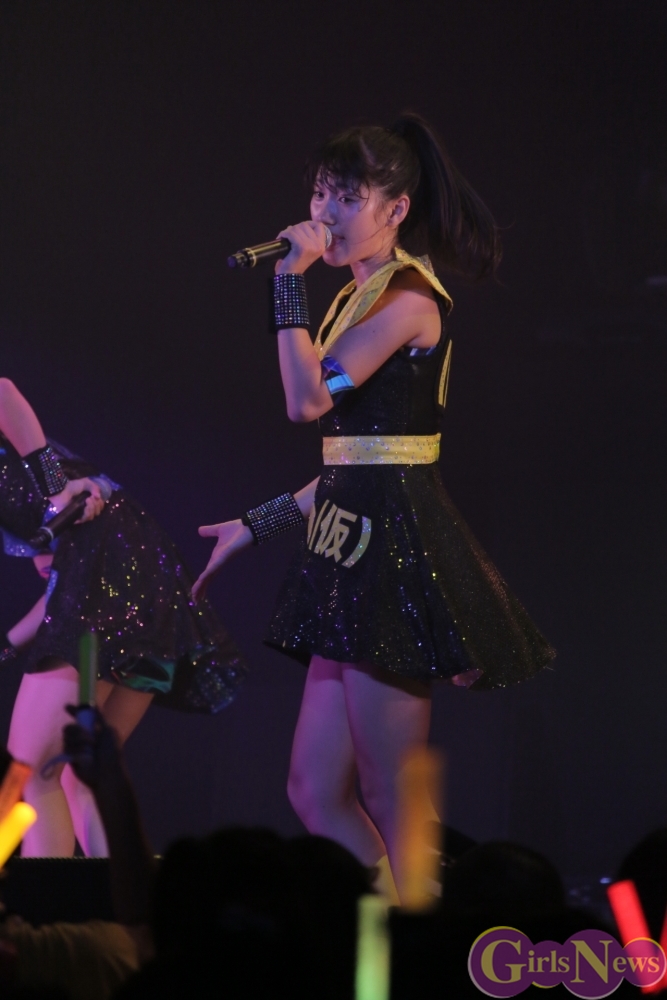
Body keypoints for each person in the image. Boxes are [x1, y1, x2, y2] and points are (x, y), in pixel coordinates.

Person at [193, 113, 555, 902]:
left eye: (345, 197)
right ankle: (381, 929)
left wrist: (287, 280)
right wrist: (255, 526)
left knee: (393, 792)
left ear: (395, 209)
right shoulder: (354, 297)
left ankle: (421, 939)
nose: (323, 212)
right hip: (348, 540)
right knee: (313, 790)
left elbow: (306, 404)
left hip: (391, 552)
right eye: (319, 193)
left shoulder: (409, 300)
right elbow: (354, 461)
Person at [0, 378, 246, 857]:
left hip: (113, 574)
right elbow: (57, 592)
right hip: (149, 585)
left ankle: (48, 902)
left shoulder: (58, 504)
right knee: (78, 772)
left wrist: (55, 487)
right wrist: (8, 645)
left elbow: (4, 392)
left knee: (32, 771)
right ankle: (123, 897)